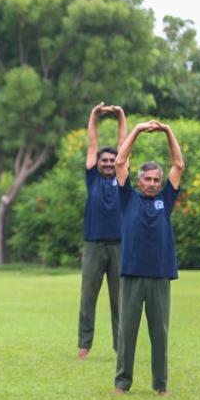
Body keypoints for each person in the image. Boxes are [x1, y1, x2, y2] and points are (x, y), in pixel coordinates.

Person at [113, 120, 185, 395]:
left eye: (157, 179)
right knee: (127, 332)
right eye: (148, 179)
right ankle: (122, 383)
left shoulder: (165, 199)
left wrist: (167, 131)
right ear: (139, 180)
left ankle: (160, 385)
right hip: (131, 273)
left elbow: (178, 165)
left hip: (160, 275)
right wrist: (139, 129)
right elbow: (121, 161)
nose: (153, 184)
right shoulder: (127, 198)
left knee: (160, 334)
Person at [78, 102, 127, 359]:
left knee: (119, 300)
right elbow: (92, 143)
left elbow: (123, 143)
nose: (108, 163)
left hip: (120, 245)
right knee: (88, 297)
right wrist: (94, 115)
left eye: (112, 160)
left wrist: (120, 116)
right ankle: (84, 346)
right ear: (97, 163)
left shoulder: (121, 178)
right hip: (94, 245)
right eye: (104, 161)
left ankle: (120, 348)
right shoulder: (93, 178)